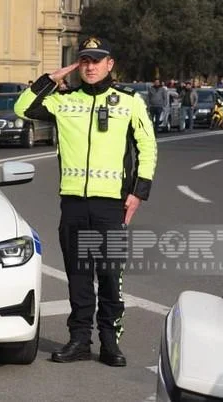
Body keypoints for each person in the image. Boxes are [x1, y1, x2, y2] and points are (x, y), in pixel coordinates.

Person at [15, 36, 157, 368]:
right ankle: (79, 339)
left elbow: (147, 147)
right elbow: (23, 107)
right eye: (84, 60)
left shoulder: (129, 102)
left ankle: (109, 341)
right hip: (74, 203)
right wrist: (53, 77)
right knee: (78, 277)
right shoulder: (65, 102)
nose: (90, 66)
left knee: (109, 275)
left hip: (112, 205)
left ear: (110, 64)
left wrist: (139, 192)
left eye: (97, 60)